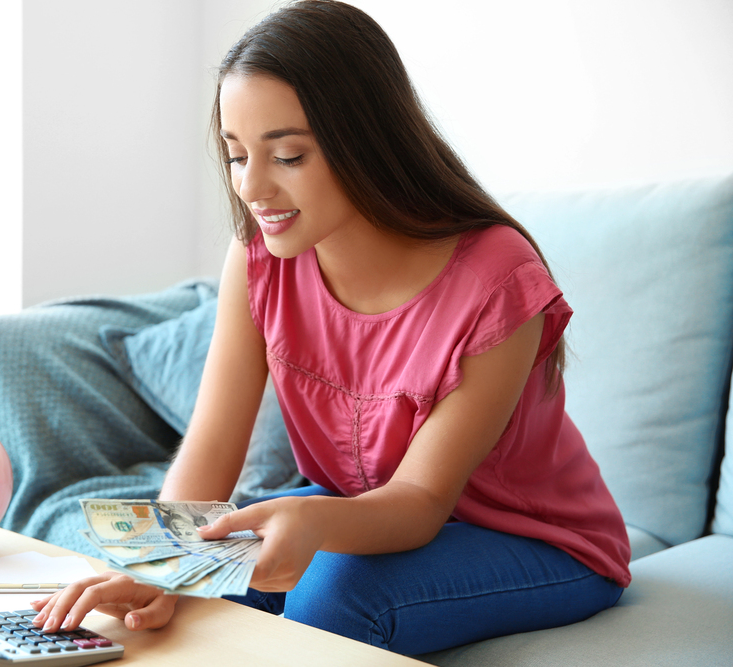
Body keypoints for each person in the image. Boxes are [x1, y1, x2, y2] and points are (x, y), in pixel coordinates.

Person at [31, 0, 631, 655]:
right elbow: (211, 446)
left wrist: (311, 516)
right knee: (206, 576)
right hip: (368, 509)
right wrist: (157, 563)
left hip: (538, 539)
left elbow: (423, 498)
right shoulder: (257, 260)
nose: (253, 187)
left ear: (366, 140)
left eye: (287, 155)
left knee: (332, 590)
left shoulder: (497, 278)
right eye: (237, 156)